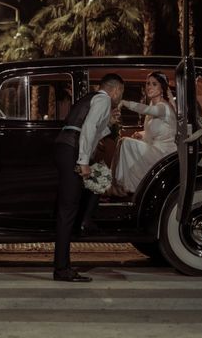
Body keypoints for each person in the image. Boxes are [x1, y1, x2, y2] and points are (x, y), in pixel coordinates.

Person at [53, 73, 124, 282]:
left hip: (65, 147)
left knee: (99, 179)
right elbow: (88, 129)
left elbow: (94, 130)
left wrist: (109, 123)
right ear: (116, 90)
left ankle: (85, 221)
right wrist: (83, 161)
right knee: (67, 210)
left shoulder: (91, 98)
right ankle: (62, 269)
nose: (120, 97)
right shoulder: (103, 99)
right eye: (122, 93)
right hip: (72, 150)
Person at [112, 71, 177, 196]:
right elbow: (156, 130)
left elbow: (146, 110)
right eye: (147, 84)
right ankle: (119, 185)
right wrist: (141, 134)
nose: (149, 87)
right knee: (122, 141)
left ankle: (121, 186)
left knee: (125, 143)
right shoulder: (154, 104)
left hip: (164, 153)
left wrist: (125, 103)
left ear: (162, 88)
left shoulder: (163, 107)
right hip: (155, 148)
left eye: (154, 84)